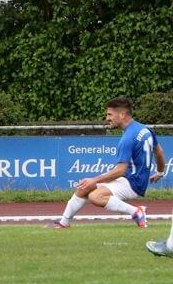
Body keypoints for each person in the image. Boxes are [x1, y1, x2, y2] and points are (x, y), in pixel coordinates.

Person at [46, 97, 165, 230]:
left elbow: (120, 170)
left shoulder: (127, 138)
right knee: (84, 187)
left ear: (122, 114)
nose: (107, 118)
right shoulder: (145, 129)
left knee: (96, 196)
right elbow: (159, 152)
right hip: (132, 179)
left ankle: (136, 212)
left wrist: (94, 180)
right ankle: (64, 223)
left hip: (132, 183)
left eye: (110, 114)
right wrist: (160, 172)